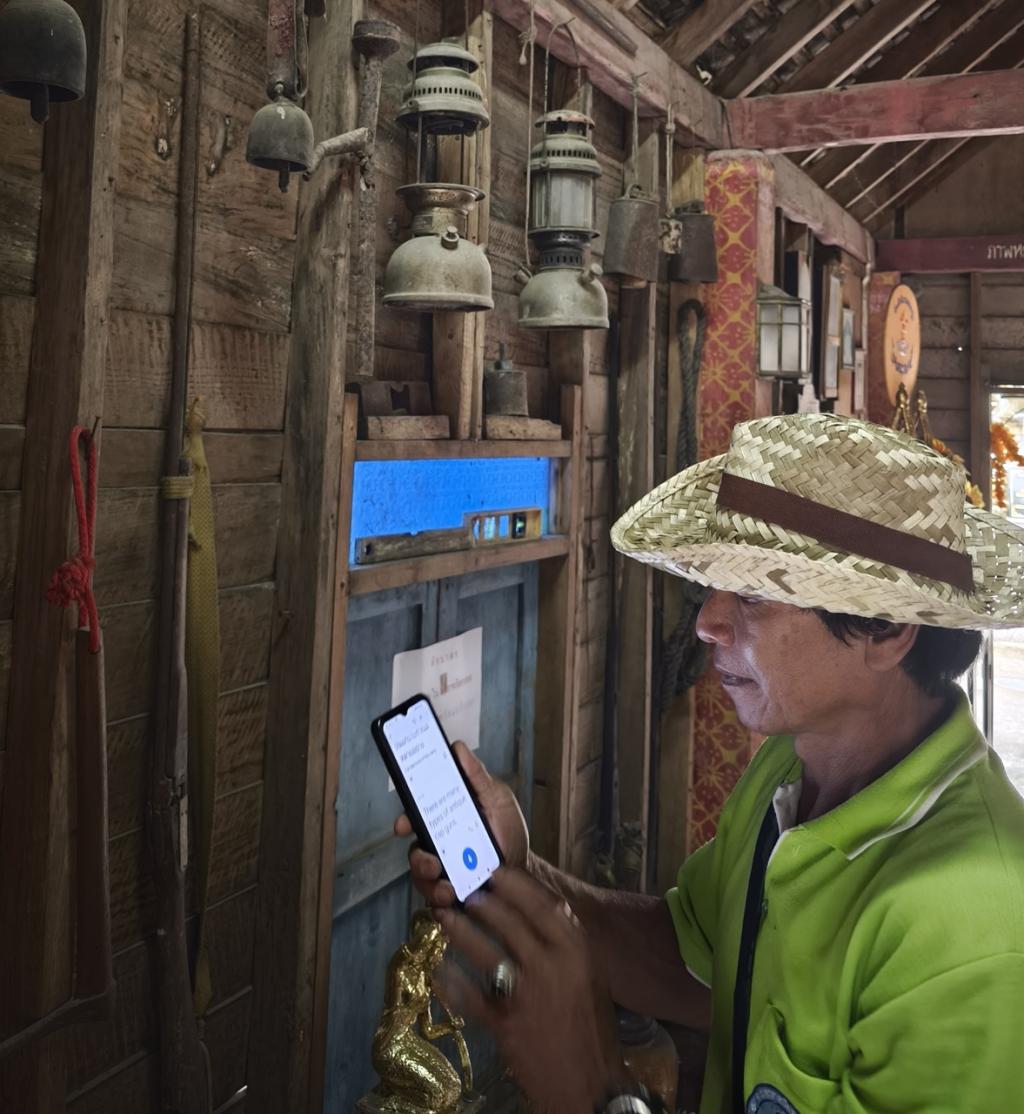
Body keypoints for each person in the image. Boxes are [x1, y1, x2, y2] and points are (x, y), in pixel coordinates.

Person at [395, 413, 1024, 1114]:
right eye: (716, 587)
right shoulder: (787, 769)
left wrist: (596, 1087)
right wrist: (518, 872)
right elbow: (702, 959)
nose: (707, 622)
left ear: (885, 627)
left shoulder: (974, 931)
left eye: (751, 594)